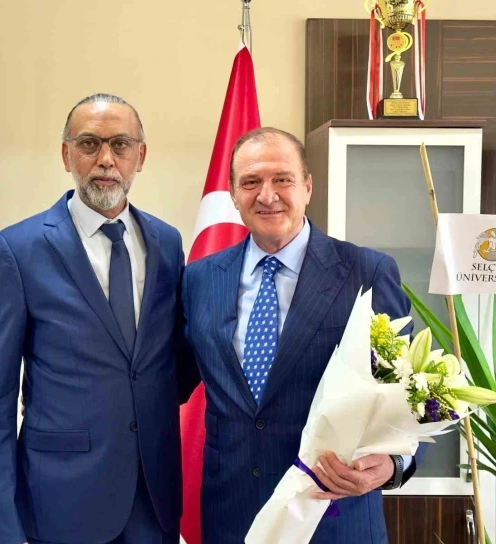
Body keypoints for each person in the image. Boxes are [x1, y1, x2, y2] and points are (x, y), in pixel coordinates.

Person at [181, 127, 422, 543]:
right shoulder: (199, 279)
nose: (267, 195)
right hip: (233, 517)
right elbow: (168, 379)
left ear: (307, 186)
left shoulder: (366, 272)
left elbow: (415, 391)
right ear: (233, 194)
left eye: (283, 179)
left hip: (334, 514)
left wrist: (394, 463)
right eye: (250, 182)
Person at [0, 94, 193, 544]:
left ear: (140, 156)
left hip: (154, 505)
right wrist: (1, 532)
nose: (106, 159)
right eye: (89, 144)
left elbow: (172, 362)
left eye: (121, 144)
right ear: (66, 154)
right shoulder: (19, 250)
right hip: (61, 506)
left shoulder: (167, 243)